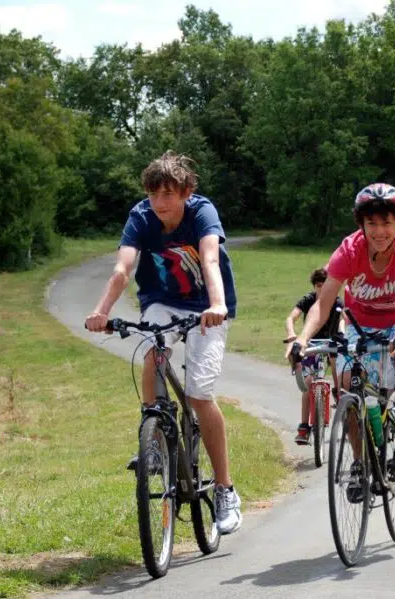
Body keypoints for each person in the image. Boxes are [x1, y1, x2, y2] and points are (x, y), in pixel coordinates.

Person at [85, 151, 243, 534]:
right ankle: (153, 432)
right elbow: (123, 268)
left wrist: (218, 304)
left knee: (200, 396)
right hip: (160, 302)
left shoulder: (202, 213)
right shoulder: (141, 218)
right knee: (152, 353)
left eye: (169, 194)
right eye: (154, 194)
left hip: (208, 307)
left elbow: (209, 259)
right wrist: (101, 311)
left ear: (186, 192)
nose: (160, 203)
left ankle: (225, 489)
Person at [287, 183, 395, 494]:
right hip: (360, 325)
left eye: (386, 224)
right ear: (361, 224)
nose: (379, 231)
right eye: (372, 224)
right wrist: (302, 339)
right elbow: (324, 303)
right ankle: (358, 462)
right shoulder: (349, 251)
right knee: (349, 380)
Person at [284, 268, 343, 445]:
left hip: (331, 342)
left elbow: (342, 318)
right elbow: (290, 318)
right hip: (311, 343)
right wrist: (291, 333)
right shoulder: (308, 300)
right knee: (309, 385)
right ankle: (304, 426)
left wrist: (341, 332)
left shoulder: (336, 301)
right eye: (318, 286)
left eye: (326, 286)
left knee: (336, 362)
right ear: (314, 286)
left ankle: (338, 393)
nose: (322, 289)